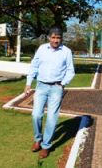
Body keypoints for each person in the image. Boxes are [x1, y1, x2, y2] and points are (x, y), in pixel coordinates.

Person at [24, 26, 75, 159]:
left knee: (52, 118)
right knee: (36, 115)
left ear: (61, 38)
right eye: (53, 37)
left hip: (56, 88)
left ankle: (46, 145)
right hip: (41, 86)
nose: (56, 40)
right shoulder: (42, 49)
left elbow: (70, 70)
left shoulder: (66, 51)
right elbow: (34, 66)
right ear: (48, 38)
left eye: (58, 38)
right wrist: (28, 83)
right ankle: (38, 139)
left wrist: (62, 84)